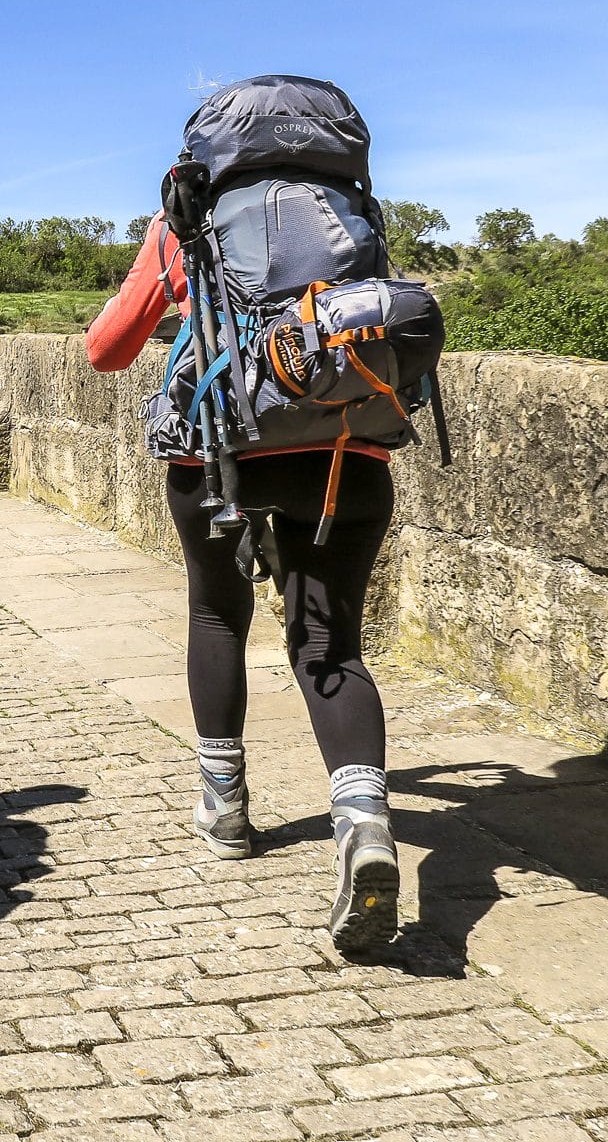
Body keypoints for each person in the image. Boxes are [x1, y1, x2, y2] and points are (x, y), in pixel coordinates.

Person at [86, 213, 401, 954]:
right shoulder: (344, 216)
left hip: (220, 452)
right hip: (344, 448)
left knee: (217, 615)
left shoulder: (186, 220)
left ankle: (225, 811)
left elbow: (106, 351)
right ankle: (364, 826)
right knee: (329, 643)